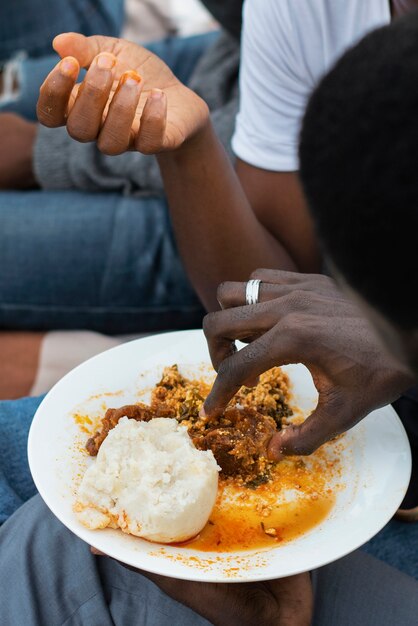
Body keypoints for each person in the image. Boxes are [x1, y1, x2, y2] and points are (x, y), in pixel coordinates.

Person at [2, 10, 418, 626]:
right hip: (353, 431)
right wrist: (191, 147)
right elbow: (269, 289)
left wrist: (399, 345)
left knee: (58, 549)